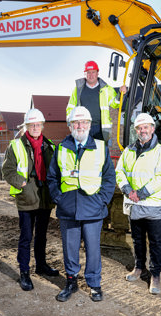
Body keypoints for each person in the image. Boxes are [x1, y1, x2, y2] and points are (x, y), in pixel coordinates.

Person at [47, 106, 116, 302]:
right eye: (76, 122)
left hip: (93, 207)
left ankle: (94, 284)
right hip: (68, 208)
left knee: (93, 249)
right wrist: (59, 198)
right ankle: (71, 282)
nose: (80, 126)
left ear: (89, 125)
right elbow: (52, 177)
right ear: (70, 126)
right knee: (70, 249)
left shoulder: (101, 148)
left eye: (84, 122)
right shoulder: (61, 148)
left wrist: (102, 200)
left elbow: (109, 178)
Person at [115, 113, 161, 295]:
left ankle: (155, 275)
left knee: (155, 242)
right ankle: (139, 268)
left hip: (152, 205)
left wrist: (141, 193)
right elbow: (120, 172)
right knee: (137, 239)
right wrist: (127, 190)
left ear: (152, 129)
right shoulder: (128, 151)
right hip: (134, 204)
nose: (142, 131)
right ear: (136, 131)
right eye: (139, 128)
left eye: (145, 127)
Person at [2, 108, 58, 292]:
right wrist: (22, 184)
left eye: (38, 124)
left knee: (41, 235)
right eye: (32, 125)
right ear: (27, 126)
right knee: (26, 236)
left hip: (44, 197)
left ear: (42, 125)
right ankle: (24, 272)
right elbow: (8, 170)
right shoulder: (16, 145)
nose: (35, 127)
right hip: (27, 197)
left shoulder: (49, 146)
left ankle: (41, 265)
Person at [66, 60, 127, 142]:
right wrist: (70, 123)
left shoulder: (106, 89)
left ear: (97, 73)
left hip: (100, 128)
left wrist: (120, 94)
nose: (91, 75)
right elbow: (71, 108)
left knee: (100, 152)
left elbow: (115, 104)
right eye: (88, 72)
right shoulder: (78, 89)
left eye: (93, 72)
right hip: (83, 127)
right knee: (83, 152)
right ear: (85, 74)